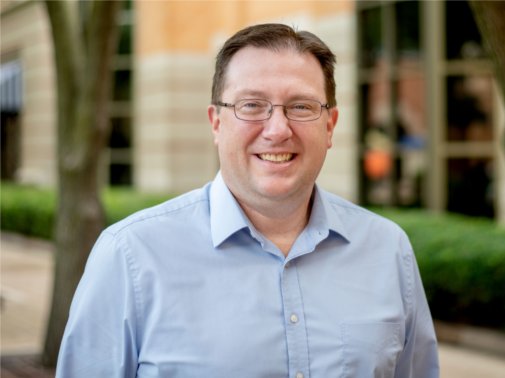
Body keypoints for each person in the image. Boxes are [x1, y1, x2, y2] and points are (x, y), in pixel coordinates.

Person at [56, 23, 439, 378]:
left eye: (301, 107)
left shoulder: (388, 250)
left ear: (330, 125)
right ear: (217, 123)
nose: (277, 130)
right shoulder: (131, 257)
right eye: (251, 105)